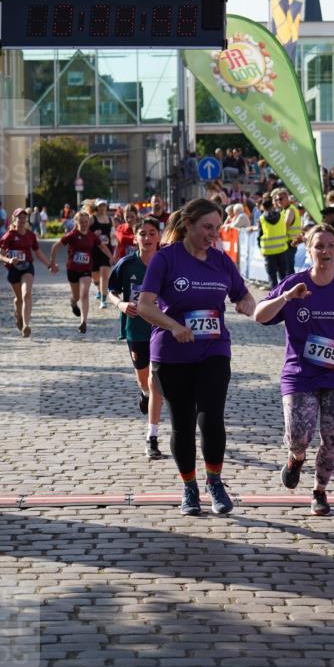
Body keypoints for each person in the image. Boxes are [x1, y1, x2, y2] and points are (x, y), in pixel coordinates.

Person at [137, 198, 255, 515]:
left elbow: (243, 294)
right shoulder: (165, 259)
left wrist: (247, 304)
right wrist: (174, 326)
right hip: (172, 353)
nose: (212, 234)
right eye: (206, 227)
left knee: (212, 417)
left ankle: (214, 482)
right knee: (183, 424)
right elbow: (145, 306)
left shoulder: (221, 261)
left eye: (217, 228)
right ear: (187, 225)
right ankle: (189, 488)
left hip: (213, 349)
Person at [254, 224, 334, 515]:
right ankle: (296, 457)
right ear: (308, 251)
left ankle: (320, 490)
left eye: (330, 246)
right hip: (300, 373)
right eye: (318, 246)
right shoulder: (294, 283)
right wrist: (286, 297)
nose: (324, 251)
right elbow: (259, 316)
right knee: (299, 435)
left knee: (333, 436)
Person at [108, 215, 165, 459]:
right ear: (135, 237)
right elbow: (111, 290)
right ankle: (143, 394)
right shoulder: (126, 264)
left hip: (160, 329)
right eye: (143, 233)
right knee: (144, 381)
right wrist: (120, 304)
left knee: (156, 382)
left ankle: (152, 436)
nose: (148, 237)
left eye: (152, 233)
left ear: (159, 236)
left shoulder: (166, 263)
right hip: (136, 329)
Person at [49, 211, 113, 333]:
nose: (84, 224)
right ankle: (73, 303)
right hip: (72, 269)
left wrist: (111, 257)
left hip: (85, 270)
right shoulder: (72, 235)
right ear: (76, 223)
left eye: (86, 222)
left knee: (84, 294)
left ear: (88, 222)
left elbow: (102, 246)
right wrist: (52, 263)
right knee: (76, 296)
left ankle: (83, 321)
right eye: (81, 222)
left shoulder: (92, 236)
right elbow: (55, 246)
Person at [0, 208, 51, 337]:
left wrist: (49, 265)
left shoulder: (30, 235)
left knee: (27, 295)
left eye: (24, 218)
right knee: (19, 299)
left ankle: (26, 325)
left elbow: (38, 252)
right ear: (14, 219)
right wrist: (9, 260)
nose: (22, 220)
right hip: (13, 269)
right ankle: (18, 316)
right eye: (19, 218)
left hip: (27, 267)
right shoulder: (9, 235)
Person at [257, 195, 289, 289]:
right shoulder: (281, 215)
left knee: (272, 276)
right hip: (282, 249)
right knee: (283, 274)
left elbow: (259, 235)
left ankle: (274, 297)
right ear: (272, 205)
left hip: (268, 251)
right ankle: (285, 294)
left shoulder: (262, 219)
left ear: (263, 207)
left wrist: (260, 247)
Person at [89, 199, 114, 308]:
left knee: (104, 275)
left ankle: (103, 300)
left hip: (106, 250)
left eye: (104, 205)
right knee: (95, 276)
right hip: (94, 250)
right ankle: (99, 290)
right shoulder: (92, 219)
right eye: (100, 206)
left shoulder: (110, 219)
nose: (102, 207)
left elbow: (113, 234)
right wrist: (93, 233)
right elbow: (85, 232)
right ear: (97, 207)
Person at [272, 187, 301, 274]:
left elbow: (285, 225)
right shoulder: (284, 210)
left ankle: (292, 286)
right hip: (286, 243)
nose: (279, 201)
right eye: (277, 200)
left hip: (290, 243)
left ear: (287, 198)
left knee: (288, 269)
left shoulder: (290, 210)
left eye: (281, 199)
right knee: (285, 268)